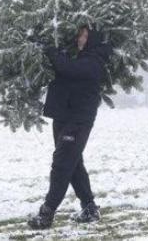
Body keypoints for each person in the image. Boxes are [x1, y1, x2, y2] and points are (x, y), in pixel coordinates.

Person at [28, 26, 113, 230]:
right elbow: (64, 70)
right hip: (64, 116)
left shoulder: (94, 61)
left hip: (78, 120)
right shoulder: (79, 56)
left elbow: (68, 69)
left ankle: (46, 214)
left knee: (62, 165)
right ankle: (90, 208)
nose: (81, 39)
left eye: (86, 36)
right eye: (80, 34)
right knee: (73, 164)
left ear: (93, 39)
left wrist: (50, 50)